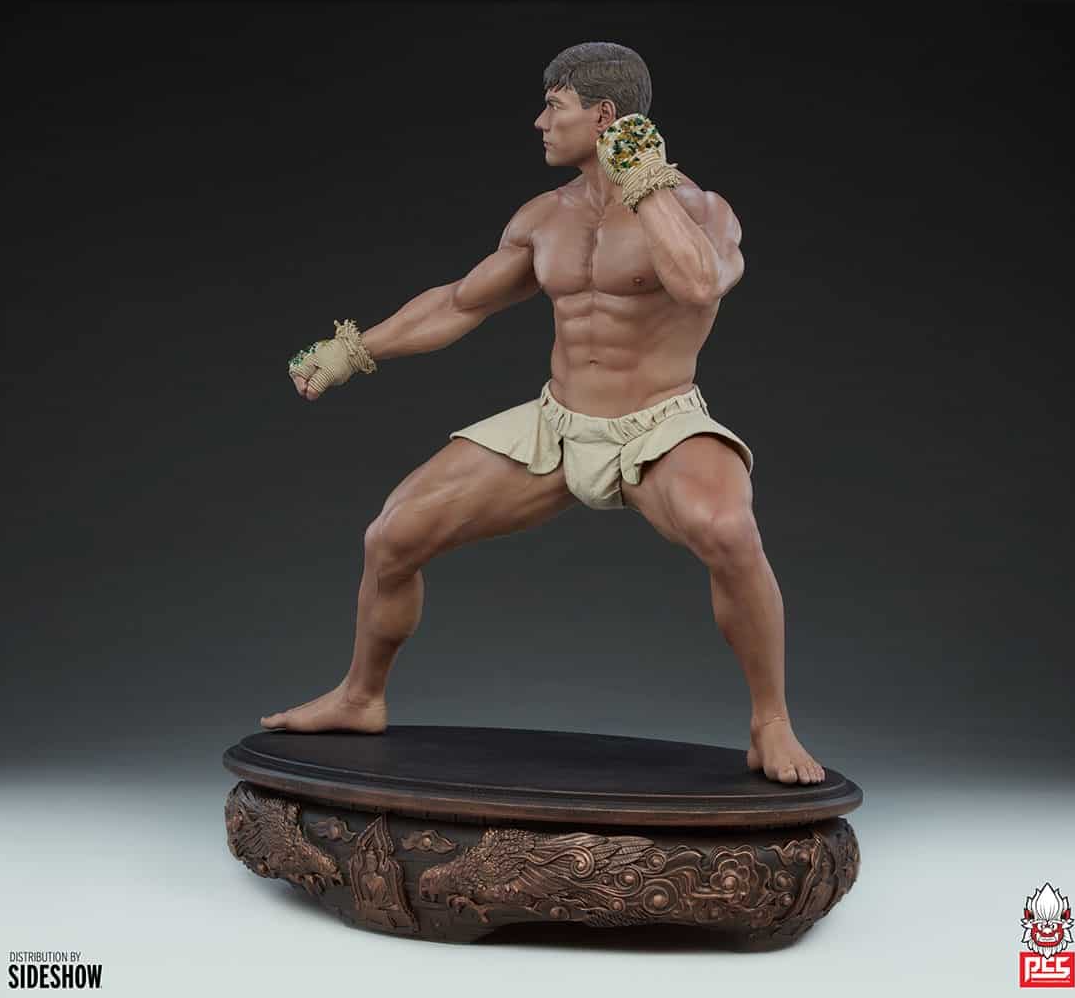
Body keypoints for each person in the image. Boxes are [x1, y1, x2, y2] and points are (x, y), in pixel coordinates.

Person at [261, 41, 825, 786]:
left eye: (554, 107)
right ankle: (360, 697)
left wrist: (645, 182)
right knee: (393, 534)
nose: (539, 122)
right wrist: (353, 350)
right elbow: (460, 302)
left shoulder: (698, 211)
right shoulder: (545, 217)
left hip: (658, 428)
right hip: (555, 425)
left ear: (604, 116)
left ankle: (770, 721)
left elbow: (698, 284)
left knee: (727, 532)